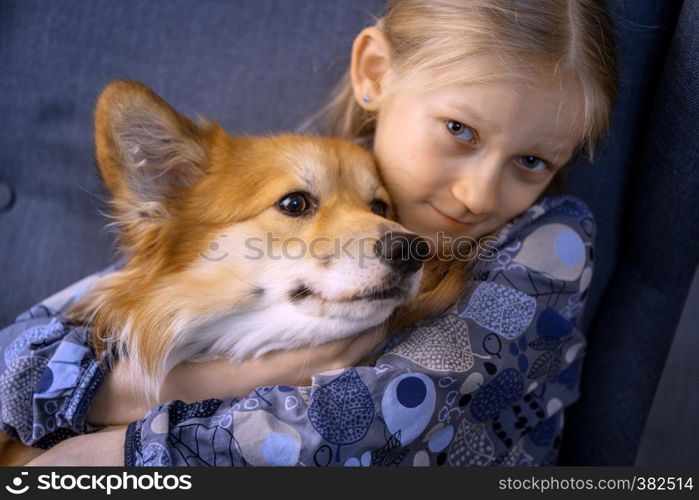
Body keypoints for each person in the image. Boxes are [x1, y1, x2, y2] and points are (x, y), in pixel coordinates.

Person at [0, 0, 617, 466]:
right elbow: (16, 361)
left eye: (533, 162)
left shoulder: (546, 240)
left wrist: (102, 458)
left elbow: (360, 428)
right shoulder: (308, 175)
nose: (479, 196)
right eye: (459, 129)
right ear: (375, 72)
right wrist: (161, 388)